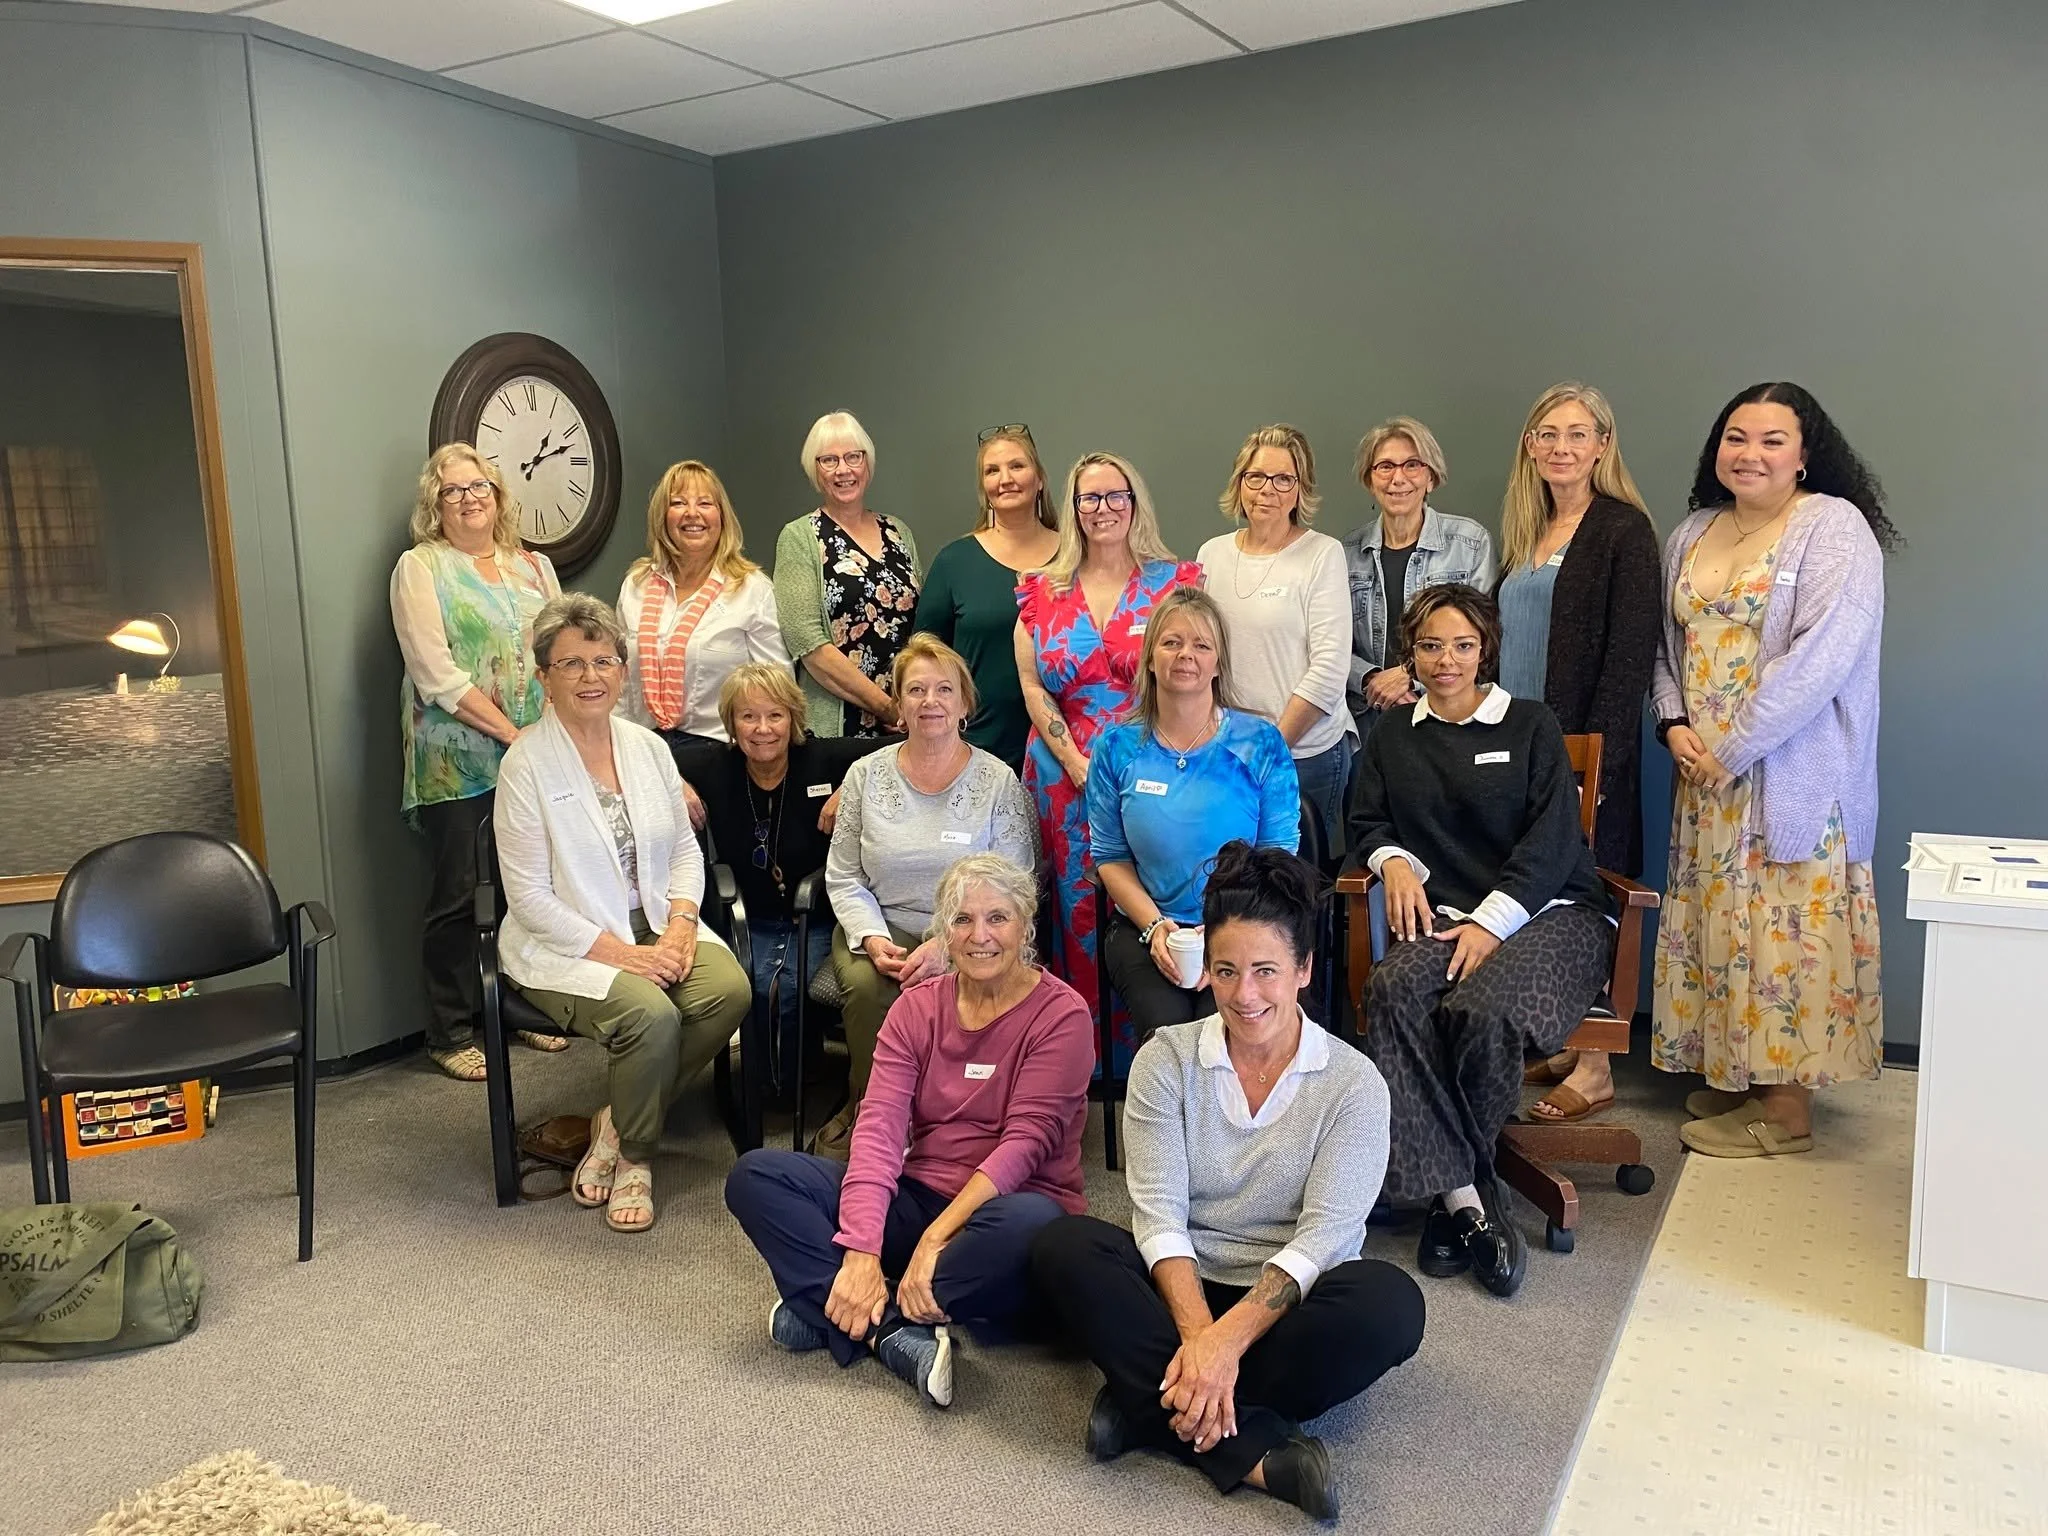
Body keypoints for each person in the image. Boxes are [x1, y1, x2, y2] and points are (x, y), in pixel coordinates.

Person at [1030, 842, 1424, 1523]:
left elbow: (1323, 1239)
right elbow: (1157, 1218)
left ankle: (1148, 1403)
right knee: (1061, 1246)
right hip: (1181, 1283)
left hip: (1288, 1299)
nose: (1245, 995)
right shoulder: (1166, 1060)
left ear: (1303, 970)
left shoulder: (1354, 1082)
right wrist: (1199, 1338)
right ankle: (1256, 1449)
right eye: (1227, 970)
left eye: (1267, 971)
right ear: (1205, 970)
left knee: (1391, 1305)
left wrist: (1222, 1346)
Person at [726, 854, 1093, 1408]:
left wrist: (932, 1241)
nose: (981, 936)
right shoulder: (915, 1009)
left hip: (1005, 1208)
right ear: (944, 932)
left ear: (1026, 924)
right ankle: (889, 1328)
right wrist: (862, 1252)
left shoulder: (1061, 1015)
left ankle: (829, 1303)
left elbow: (1025, 1147)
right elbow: (876, 1132)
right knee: (756, 1176)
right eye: (963, 920)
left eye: (998, 918)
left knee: (1035, 1226)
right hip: (919, 1194)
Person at [1650, 382, 1894, 1158]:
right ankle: (1746, 1075)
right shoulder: (1691, 531)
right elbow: (1667, 650)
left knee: (1787, 928)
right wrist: (1675, 725)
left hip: (1794, 777)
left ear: (1805, 453)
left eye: (1771, 440)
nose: (1749, 453)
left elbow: (1823, 657)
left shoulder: (1833, 527)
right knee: (1726, 922)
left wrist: (1734, 745)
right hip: (1707, 779)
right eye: (1735, 437)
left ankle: (1786, 1109)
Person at [1348, 584, 1612, 1299]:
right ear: (1411, 651)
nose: (1445, 660)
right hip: (1446, 918)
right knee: (1393, 988)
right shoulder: (1392, 736)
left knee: (1484, 1011)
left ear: (1485, 649)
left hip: (1553, 913)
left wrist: (1493, 922)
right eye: (1430, 645)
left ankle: (1446, 1192)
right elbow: (1366, 822)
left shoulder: (1529, 725)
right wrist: (1392, 861)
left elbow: (1555, 842)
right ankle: (1464, 1197)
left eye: (1462, 645)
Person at [493, 594, 753, 1233]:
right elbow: (528, 899)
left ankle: (615, 1120)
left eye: (603, 660)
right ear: (543, 677)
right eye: (571, 663)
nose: (590, 676)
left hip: (662, 922)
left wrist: (685, 922)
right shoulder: (524, 764)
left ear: (622, 669)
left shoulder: (646, 748)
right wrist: (631, 956)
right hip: (568, 939)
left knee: (729, 992)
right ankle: (636, 1157)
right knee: (651, 1014)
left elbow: (686, 852)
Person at [1493, 385, 1662, 1127]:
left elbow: (1629, 663)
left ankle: (1594, 1068)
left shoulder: (1622, 531)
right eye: (1547, 434)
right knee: (1532, 894)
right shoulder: (1526, 532)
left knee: (1586, 894)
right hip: (1517, 752)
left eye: (1577, 434)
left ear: (1602, 446)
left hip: (1586, 757)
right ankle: (1566, 1036)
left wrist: (1595, 770)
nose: (1561, 447)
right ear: (1530, 447)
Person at [819, 634, 1038, 1158]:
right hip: (885, 922)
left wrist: (947, 943)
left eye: (944, 689)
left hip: (974, 928)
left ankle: (958, 1122)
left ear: (965, 704)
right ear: (898, 703)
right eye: (915, 690)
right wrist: (871, 939)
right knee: (870, 991)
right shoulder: (865, 776)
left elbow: (1018, 879)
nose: (930, 701)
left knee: (975, 981)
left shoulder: (997, 780)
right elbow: (844, 875)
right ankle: (872, 1113)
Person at [390, 442, 563, 1081]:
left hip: (532, 750)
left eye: (479, 488)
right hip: (457, 759)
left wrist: (544, 736)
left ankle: (517, 1008)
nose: (468, 499)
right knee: (460, 893)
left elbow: (560, 655)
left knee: (528, 888)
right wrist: (511, 734)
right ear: (436, 506)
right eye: (453, 491)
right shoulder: (421, 567)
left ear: (498, 497)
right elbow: (435, 673)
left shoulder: (534, 570)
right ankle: (451, 1028)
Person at [1013, 451, 1199, 1028]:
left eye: (1115, 495)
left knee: (1148, 895)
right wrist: (1072, 760)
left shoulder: (1174, 584)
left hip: (1152, 766)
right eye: (1088, 498)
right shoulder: (1041, 590)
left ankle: (1152, 1047)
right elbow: (1030, 680)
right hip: (1062, 775)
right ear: (1072, 509)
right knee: (1072, 907)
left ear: (1134, 502)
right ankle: (1079, 1053)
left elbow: (1192, 668)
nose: (1103, 508)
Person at [1090, 588, 1298, 1052]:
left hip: (1242, 926)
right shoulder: (1116, 748)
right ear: (1149, 658)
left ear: (1219, 663)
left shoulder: (1260, 743)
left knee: (1227, 1039)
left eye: (1202, 645)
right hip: (1145, 930)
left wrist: (1221, 929)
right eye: (1171, 643)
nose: (1186, 655)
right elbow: (1109, 857)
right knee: (1170, 1043)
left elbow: (1277, 856)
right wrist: (1155, 928)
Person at [689, 663, 877, 1103]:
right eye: (747, 716)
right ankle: (763, 1084)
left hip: (815, 916)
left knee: (788, 986)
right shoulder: (716, 765)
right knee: (753, 985)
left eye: (775, 715)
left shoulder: (825, 758)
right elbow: (651, 751)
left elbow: (899, 748)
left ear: (794, 718)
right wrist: (677, 783)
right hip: (746, 916)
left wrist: (852, 784)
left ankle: (791, 1083)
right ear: (731, 723)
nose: (762, 729)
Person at [1197, 425, 1353, 848]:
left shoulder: (1322, 554)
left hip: (1304, 754)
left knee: (1295, 890)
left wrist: (1268, 749)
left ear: (1301, 489)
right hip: (1226, 751)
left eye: (1284, 479)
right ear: (1239, 482)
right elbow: (1200, 654)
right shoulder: (1212, 554)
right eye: (1256, 476)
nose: (1268, 489)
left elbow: (1330, 668)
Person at [912, 426, 1061, 771]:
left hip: (1064, 751)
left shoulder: (1076, 557)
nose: (1005, 479)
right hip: (976, 750)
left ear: (1040, 478)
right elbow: (923, 655)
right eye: (992, 471)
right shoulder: (955, 561)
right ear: (984, 489)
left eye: (1017, 466)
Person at [1340, 417, 1495, 743]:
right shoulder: (1346, 553)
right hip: (1369, 723)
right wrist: (1370, 679)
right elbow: (1332, 643)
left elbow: (1484, 638)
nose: (1398, 478)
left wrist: (1410, 676)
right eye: (1385, 466)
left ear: (1431, 477)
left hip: (1451, 720)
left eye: (1412, 465)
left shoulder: (1469, 543)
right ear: (1370, 479)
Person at [617, 460, 787, 756]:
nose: (692, 514)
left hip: (719, 753)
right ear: (663, 517)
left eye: (705, 503)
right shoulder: (636, 585)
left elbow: (776, 686)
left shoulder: (751, 588)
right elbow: (617, 677)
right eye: (678, 503)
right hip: (641, 750)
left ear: (722, 516)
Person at [773, 410, 921, 738]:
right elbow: (808, 643)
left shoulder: (898, 531)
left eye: (853, 457)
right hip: (840, 727)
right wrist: (887, 708)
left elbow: (921, 626)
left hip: (908, 723)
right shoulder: (799, 538)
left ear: (867, 463)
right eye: (829, 460)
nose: (843, 470)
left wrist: (912, 705)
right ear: (815, 470)